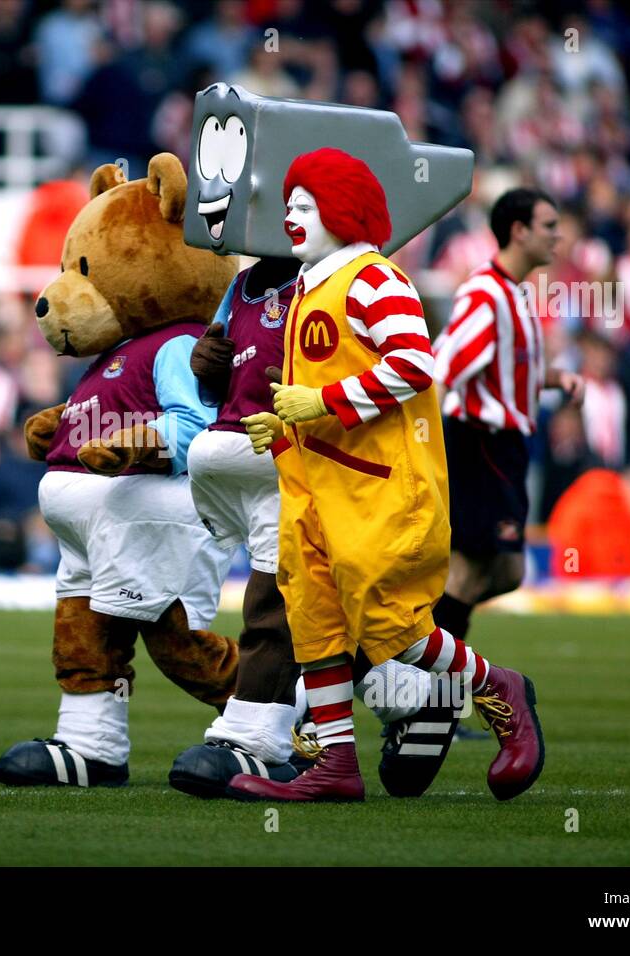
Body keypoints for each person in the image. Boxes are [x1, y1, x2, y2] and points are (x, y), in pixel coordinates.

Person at [227, 149, 545, 802]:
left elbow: (415, 365)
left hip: (375, 492)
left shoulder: (376, 280)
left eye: (305, 205)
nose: (291, 216)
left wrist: (323, 403)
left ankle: (496, 684)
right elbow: (312, 391)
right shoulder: (308, 287)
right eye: (288, 204)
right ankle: (336, 767)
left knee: (393, 627)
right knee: (312, 622)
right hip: (311, 490)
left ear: (344, 210)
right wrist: (283, 427)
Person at [431, 188, 585, 641]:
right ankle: (423, 692)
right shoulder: (486, 294)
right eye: (549, 226)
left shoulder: (512, 294)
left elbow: (506, 371)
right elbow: (444, 368)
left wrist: (555, 379)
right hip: (481, 444)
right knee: (470, 568)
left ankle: (417, 655)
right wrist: (426, 443)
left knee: (508, 569)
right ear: (519, 231)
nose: (558, 237)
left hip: (506, 447)